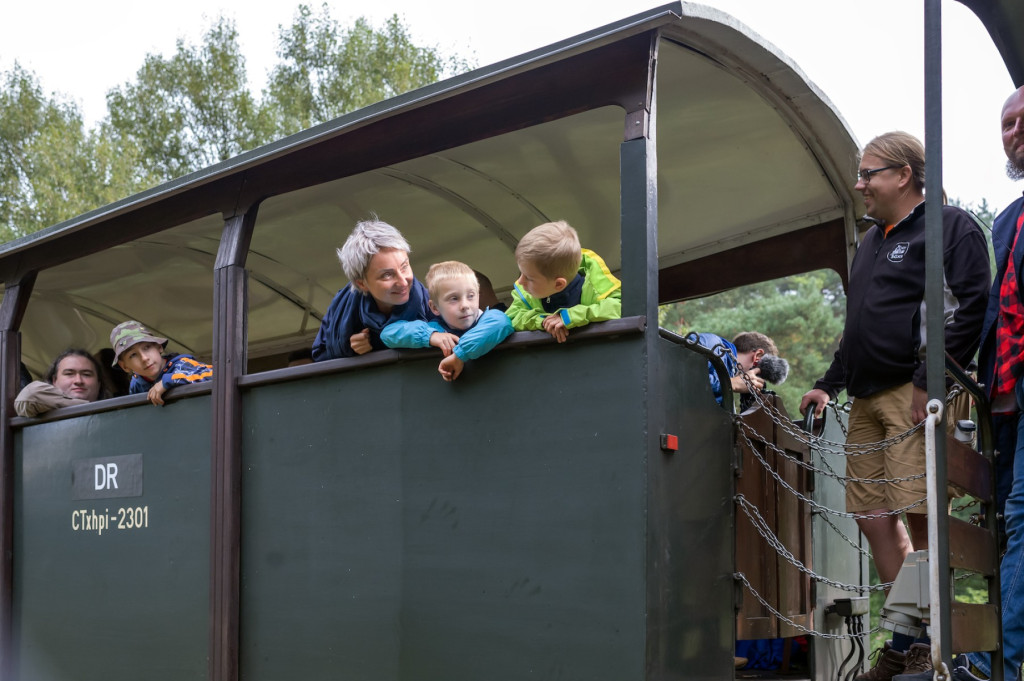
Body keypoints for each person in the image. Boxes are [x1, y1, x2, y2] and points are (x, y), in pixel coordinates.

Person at [798, 132, 990, 681]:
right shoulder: (870, 241)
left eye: (869, 174)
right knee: (871, 513)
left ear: (903, 175)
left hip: (916, 394)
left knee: (922, 513)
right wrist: (826, 383)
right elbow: (856, 327)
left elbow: (972, 302)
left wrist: (932, 379)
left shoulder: (949, 227)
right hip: (862, 397)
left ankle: (929, 643)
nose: (860, 185)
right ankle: (908, 634)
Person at [964, 85, 1024, 681]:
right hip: (1005, 399)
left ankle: (991, 661)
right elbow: (988, 313)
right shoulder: (1006, 219)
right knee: (1003, 526)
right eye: (1006, 122)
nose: (1013, 130)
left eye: (1022, 120)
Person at [312, 218, 435, 361]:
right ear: (362, 284)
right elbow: (320, 356)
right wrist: (349, 349)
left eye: (404, 266)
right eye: (387, 275)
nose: (403, 282)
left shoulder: (434, 303)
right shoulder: (341, 309)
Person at [381, 260, 514, 381]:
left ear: (478, 297)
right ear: (434, 307)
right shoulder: (436, 330)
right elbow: (388, 333)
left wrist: (460, 355)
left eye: (471, 296)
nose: (465, 305)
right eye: (454, 298)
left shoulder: (490, 318)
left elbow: (502, 322)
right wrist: (431, 336)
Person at [506, 220, 621, 341]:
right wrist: (543, 321)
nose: (520, 282)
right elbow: (512, 318)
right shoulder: (526, 293)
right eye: (521, 273)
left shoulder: (595, 287)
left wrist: (570, 317)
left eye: (529, 278)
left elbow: (620, 306)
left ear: (559, 284)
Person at [110, 321, 213, 406]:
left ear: (159, 347)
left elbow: (217, 376)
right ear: (124, 366)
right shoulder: (136, 384)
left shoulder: (182, 365)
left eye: (147, 347)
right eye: (133, 355)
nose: (144, 358)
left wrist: (170, 380)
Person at [14, 349, 108, 417]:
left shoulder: (112, 414)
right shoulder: (40, 408)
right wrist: (86, 407)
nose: (78, 381)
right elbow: (29, 396)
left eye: (87, 374)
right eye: (69, 374)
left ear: (99, 383)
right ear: (54, 380)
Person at [691, 331, 776, 405]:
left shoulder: (729, 378)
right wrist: (731, 383)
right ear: (757, 355)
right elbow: (682, 374)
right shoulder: (712, 343)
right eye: (759, 375)